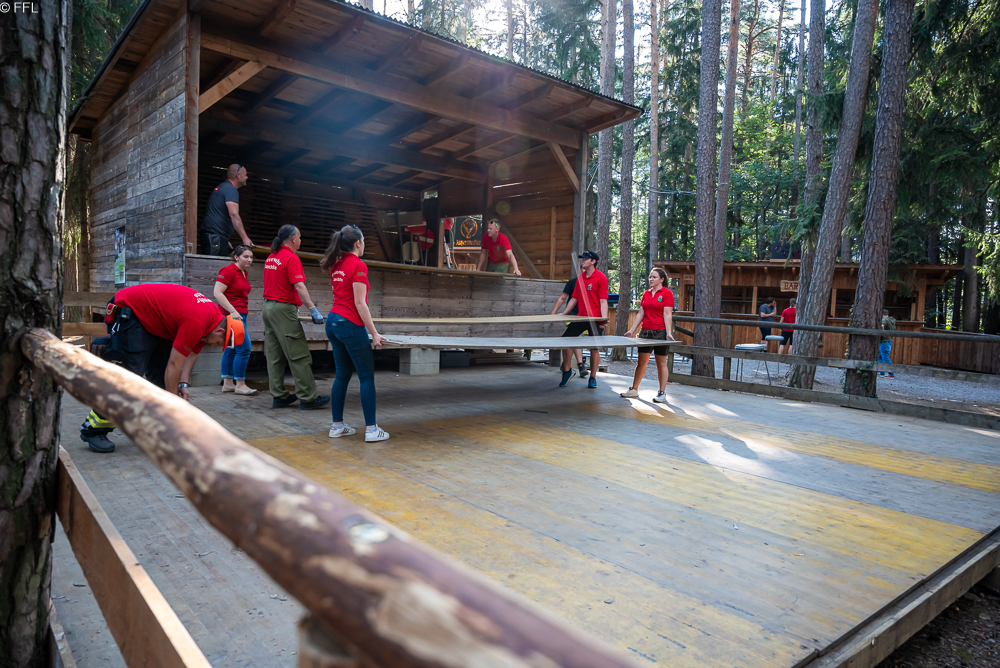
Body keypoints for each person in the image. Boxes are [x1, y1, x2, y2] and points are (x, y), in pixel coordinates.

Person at [80, 284, 244, 453]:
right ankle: (93, 430)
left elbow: (191, 355)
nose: (214, 345)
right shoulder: (197, 322)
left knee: (163, 380)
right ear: (220, 330)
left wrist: (183, 384)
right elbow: (175, 364)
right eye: (218, 342)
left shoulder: (210, 323)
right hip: (131, 310)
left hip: (157, 323)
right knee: (130, 378)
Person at [320, 225, 390, 443]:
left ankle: (337, 426)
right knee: (366, 376)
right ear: (358, 243)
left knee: (342, 375)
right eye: (364, 241)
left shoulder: (336, 264)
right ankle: (371, 430)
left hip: (333, 322)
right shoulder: (359, 265)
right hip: (349, 323)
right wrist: (374, 333)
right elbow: (360, 303)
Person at [262, 225, 330, 410]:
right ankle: (307, 398)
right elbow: (299, 285)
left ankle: (279, 396)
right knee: (298, 354)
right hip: (283, 310)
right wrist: (313, 308)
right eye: (299, 237)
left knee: (274, 355)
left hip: (268, 308)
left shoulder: (272, 257)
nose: (301, 240)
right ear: (293, 239)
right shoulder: (291, 258)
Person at [621, 268, 675, 403]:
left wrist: (668, 333)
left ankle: (662, 393)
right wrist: (632, 330)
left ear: (661, 279)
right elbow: (641, 313)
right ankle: (634, 390)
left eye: (654, 277)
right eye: (650, 277)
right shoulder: (646, 293)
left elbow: (667, 314)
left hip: (660, 332)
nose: (651, 279)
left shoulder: (667, 293)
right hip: (645, 332)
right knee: (641, 362)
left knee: (661, 363)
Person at [559, 250, 609, 389]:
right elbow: (574, 298)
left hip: (595, 319)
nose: (583, 260)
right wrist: (564, 313)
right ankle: (567, 371)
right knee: (565, 340)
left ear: (593, 261)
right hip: (581, 317)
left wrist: (604, 319)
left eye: (586, 259)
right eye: (582, 258)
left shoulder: (601, 278)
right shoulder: (580, 278)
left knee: (594, 349)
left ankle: (592, 377)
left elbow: (603, 301)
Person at [214, 245, 256, 395]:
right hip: (232, 315)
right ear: (236, 257)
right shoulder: (228, 271)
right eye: (246, 256)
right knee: (244, 349)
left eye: (251, 257)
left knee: (231, 349)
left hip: (240, 314)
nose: (249, 259)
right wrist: (233, 311)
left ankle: (227, 384)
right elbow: (217, 293)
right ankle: (240, 384)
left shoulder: (244, 273)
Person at [200, 164, 252, 256]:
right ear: (238, 175)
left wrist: (224, 239)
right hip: (215, 237)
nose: (247, 177)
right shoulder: (230, 189)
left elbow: (216, 212)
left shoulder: (223, 187)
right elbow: (234, 214)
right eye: (245, 175)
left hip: (214, 236)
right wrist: (245, 238)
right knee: (215, 264)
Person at [550, 276, 587, 379]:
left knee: (572, 339)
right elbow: (562, 298)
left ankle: (570, 364)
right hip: (572, 315)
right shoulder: (573, 282)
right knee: (572, 338)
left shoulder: (591, 282)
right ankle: (580, 364)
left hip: (583, 316)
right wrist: (553, 313)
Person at [879, 308, 896, 377]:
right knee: (881, 356)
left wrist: (881, 333)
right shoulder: (891, 320)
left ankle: (891, 374)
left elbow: (882, 326)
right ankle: (881, 371)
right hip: (889, 340)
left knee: (885, 357)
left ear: (882, 314)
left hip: (884, 341)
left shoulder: (884, 320)